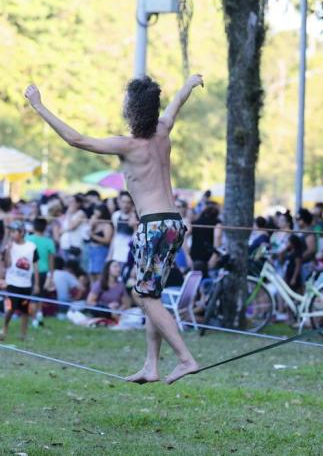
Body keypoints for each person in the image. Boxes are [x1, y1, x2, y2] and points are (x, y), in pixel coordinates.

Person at [25, 73, 203, 383]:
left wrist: (38, 106)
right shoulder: (163, 131)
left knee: (145, 297)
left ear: (132, 110)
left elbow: (76, 139)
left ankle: (186, 359)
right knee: (153, 292)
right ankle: (151, 366)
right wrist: (187, 85)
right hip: (174, 223)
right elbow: (176, 104)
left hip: (154, 225)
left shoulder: (128, 145)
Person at [0, 221, 40, 341]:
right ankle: (4, 327)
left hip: (26, 284)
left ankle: (23, 333)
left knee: (25, 310)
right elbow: (7, 264)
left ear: (22, 232)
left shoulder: (31, 247)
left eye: (14, 231)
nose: (11, 234)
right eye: (10, 232)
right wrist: (8, 251)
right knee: (10, 308)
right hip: (12, 283)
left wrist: (36, 283)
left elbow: (35, 265)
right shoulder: (9, 246)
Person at [26, 218, 56, 327]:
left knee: (33, 296)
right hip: (44, 271)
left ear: (33, 227)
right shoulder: (49, 242)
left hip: (30, 271)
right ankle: (39, 315)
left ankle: (34, 320)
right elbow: (51, 261)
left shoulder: (27, 239)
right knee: (39, 296)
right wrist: (51, 276)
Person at [86, 204, 113, 282]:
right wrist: (91, 225)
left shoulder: (107, 225)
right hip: (91, 250)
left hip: (100, 250)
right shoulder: (95, 223)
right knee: (91, 273)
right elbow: (87, 235)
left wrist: (93, 236)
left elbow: (107, 240)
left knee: (99, 274)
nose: (95, 213)